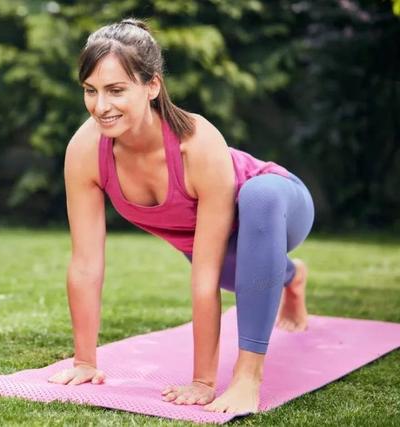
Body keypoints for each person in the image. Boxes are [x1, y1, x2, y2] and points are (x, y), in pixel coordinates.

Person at [47, 18, 315, 415]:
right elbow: (86, 263)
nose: (100, 107)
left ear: (152, 86)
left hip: (280, 204)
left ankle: (247, 377)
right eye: (91, 91)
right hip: (225, 244)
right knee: (240, 275)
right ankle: (291, 277)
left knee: (258, 198)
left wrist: (204, 381)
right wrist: (85, 361)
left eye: (116, 90)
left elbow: (202, 277)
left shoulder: (196, 142)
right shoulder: (86, 149)